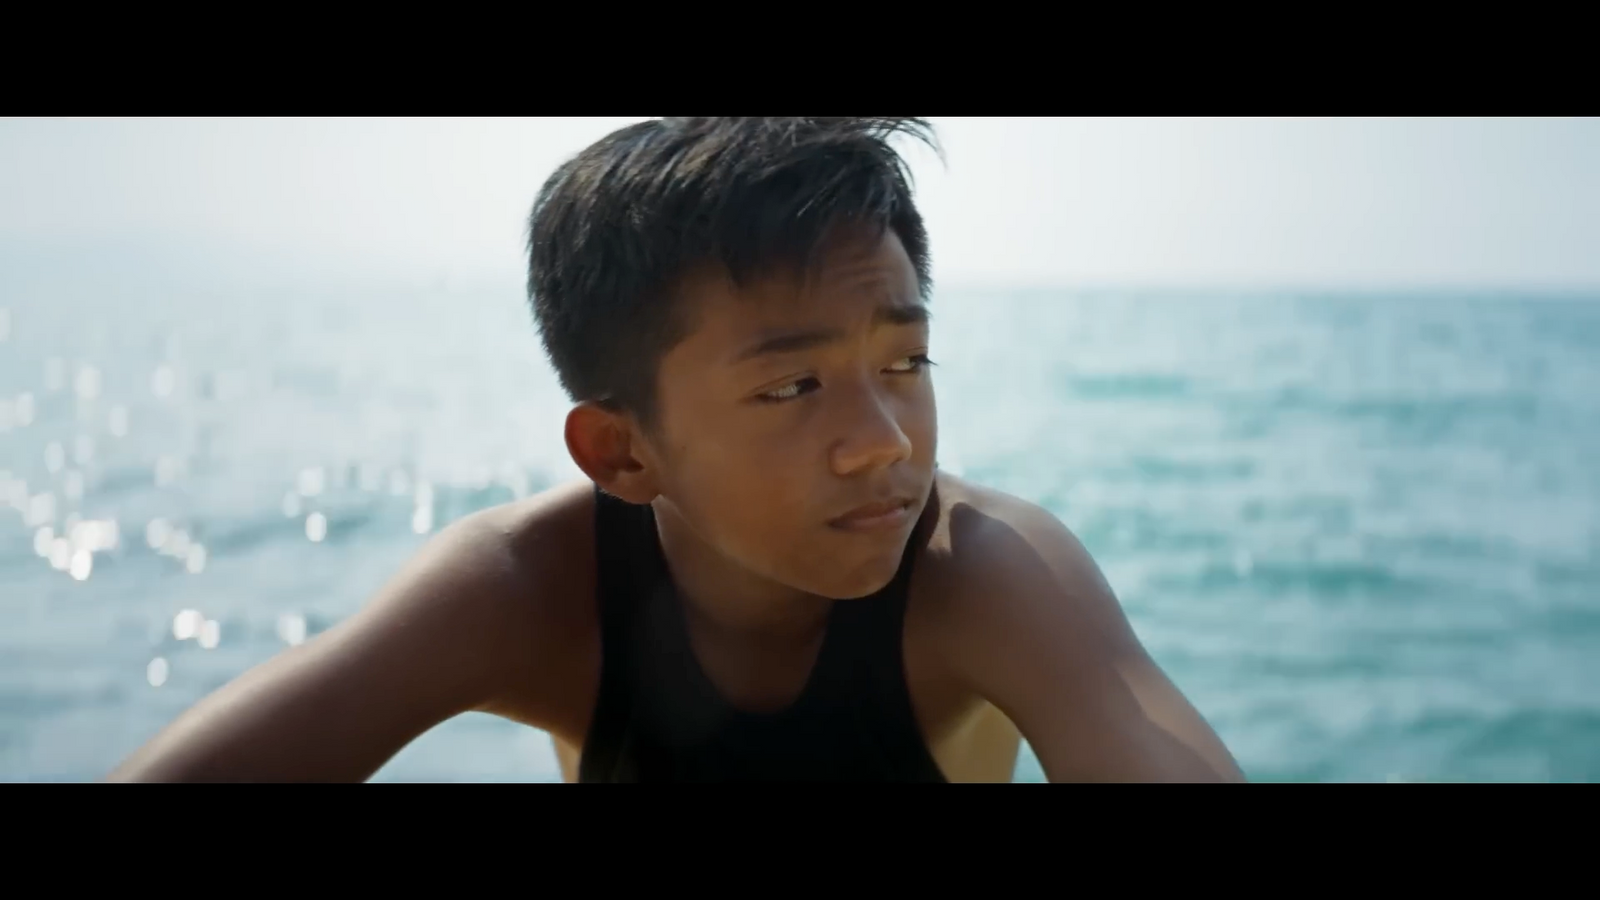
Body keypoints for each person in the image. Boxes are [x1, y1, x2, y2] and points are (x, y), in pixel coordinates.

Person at [107, 117, 1245, 783]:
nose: (882, 442)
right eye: (792, 384)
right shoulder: (526, 591)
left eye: (904, 362)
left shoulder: (986, 575)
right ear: (620, 452)